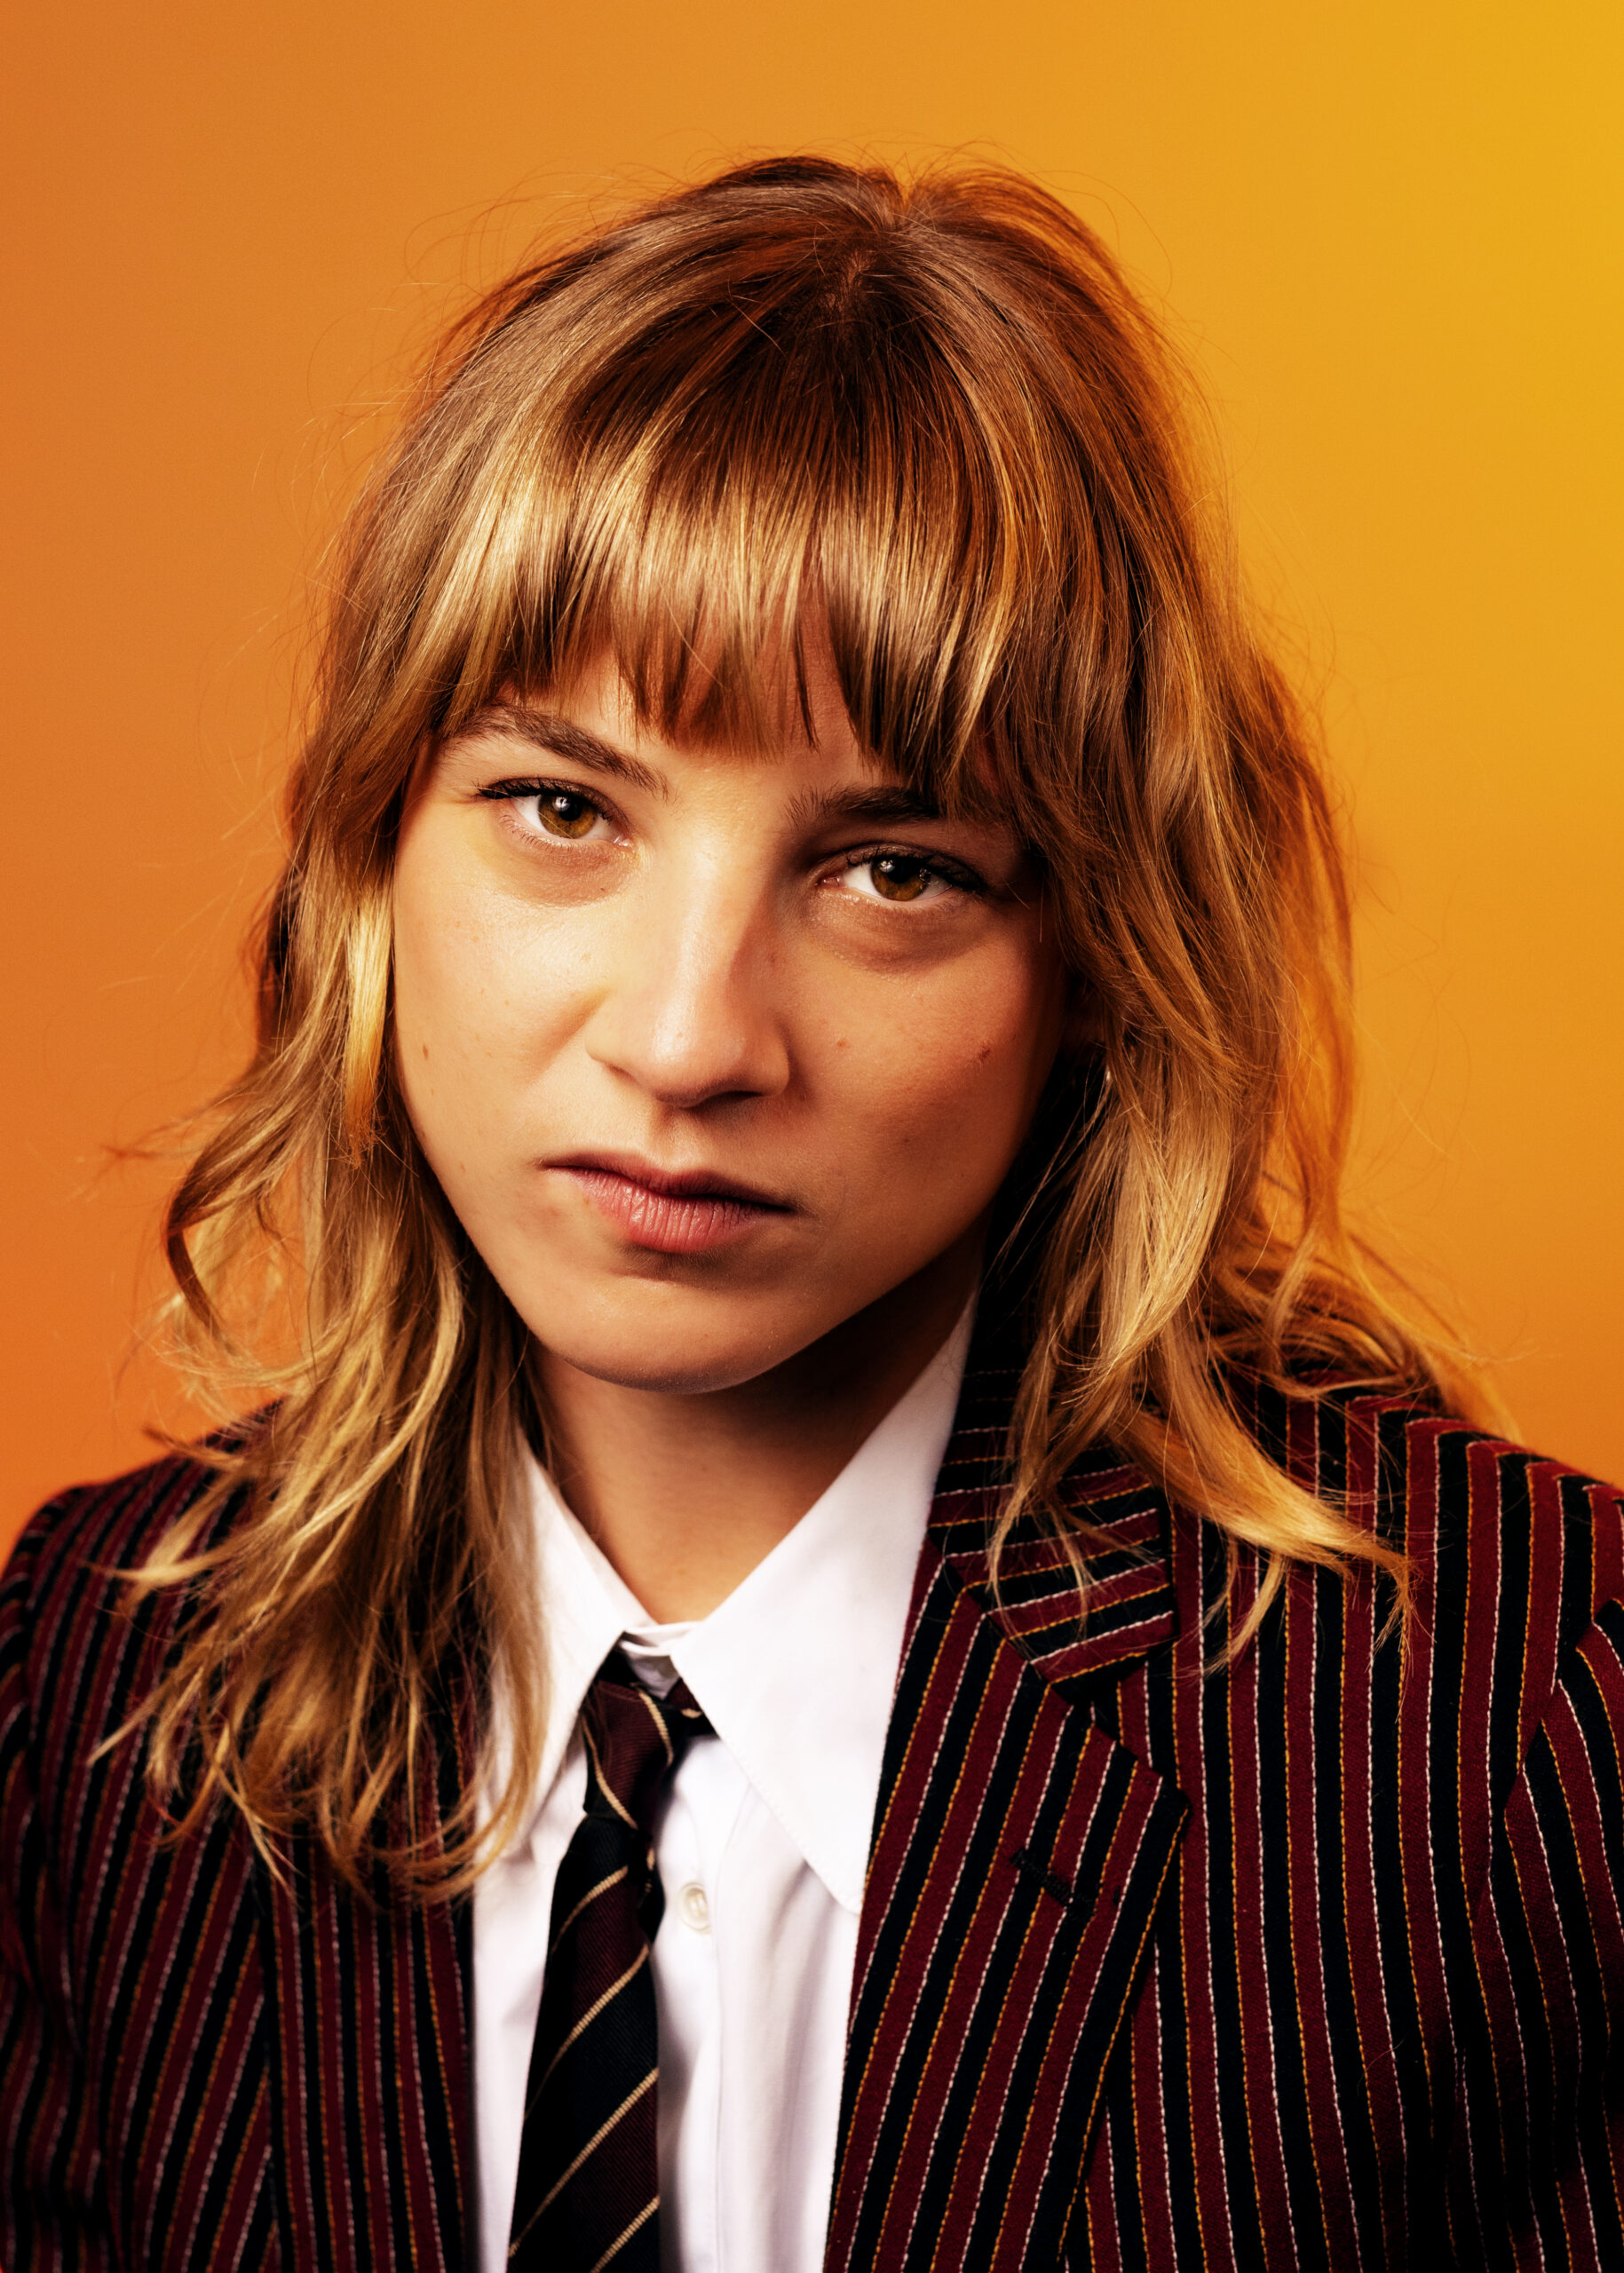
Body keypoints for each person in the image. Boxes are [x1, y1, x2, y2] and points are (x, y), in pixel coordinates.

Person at [3, 154, 1620, 2273]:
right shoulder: (93, 1678)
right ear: (372, 852)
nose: (689, 1039)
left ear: (1097, 956)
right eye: (562, 806)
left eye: (894, 870)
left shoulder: (1509, 1729)